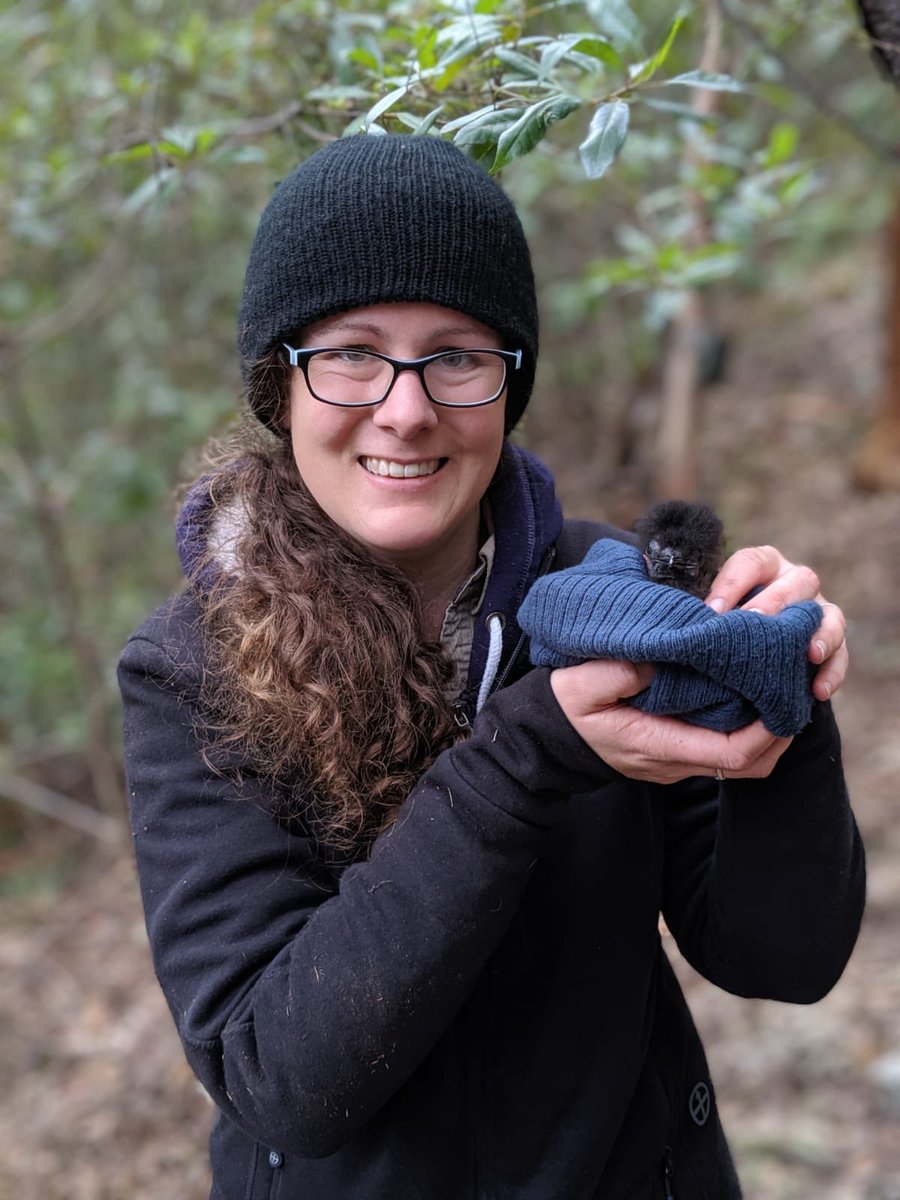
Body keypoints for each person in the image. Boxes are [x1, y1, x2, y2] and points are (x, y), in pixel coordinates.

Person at [118, 134, 865, 1200]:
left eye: (457, 356)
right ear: (279, 384)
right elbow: (277, 1074)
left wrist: (779, 685)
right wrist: (527, 755)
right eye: (352, 353)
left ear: (510, 384)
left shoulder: (614, 596)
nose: (406, 408)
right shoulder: (193, 668)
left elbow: (782, 959)